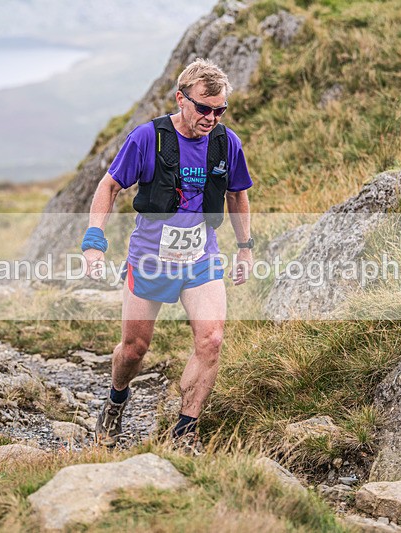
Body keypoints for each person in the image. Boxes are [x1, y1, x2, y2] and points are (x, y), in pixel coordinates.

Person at [81, 58, 253, 454]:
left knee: (211, 340)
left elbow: (237, 194)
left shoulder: (227, 144)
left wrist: (245, 249)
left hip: (201, 258)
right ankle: (116, 401)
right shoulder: (148, 138)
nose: (211, 117)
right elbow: (109, 187)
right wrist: (94, 240)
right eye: (203, 108)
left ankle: (183, 432)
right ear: (181, 98)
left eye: (219, 110)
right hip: (150, 259)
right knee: (133, 350)